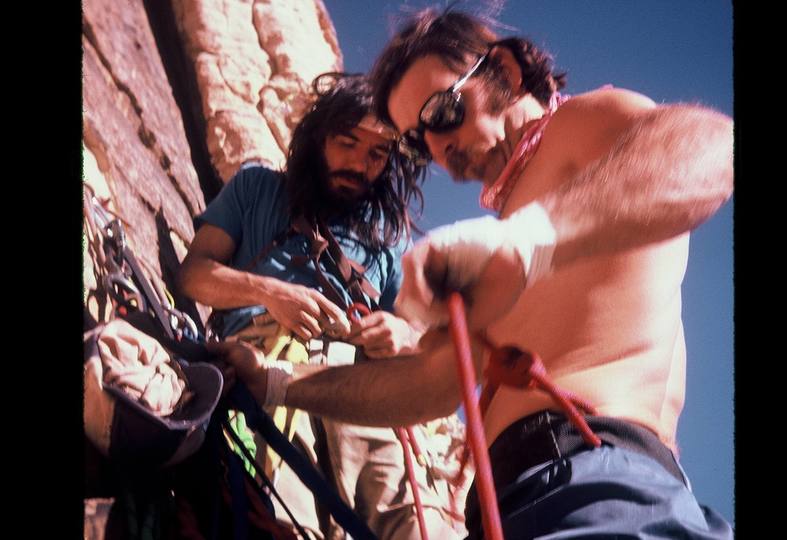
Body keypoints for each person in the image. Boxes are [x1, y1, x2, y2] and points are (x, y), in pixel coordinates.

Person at [214, 8, 734, 539]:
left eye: (441, 112)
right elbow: (430, 386)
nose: (438, 149)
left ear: (504, 70)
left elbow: (710, 148)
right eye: (417, 141)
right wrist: (280, 381)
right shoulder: (503, 255)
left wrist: (526, 240)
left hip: (594, 483)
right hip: (513, 504)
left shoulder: (583, 128)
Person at [178, 73, 463, 539]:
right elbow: (193, 274)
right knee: (289, 516)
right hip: (265, 361)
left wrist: (399, 333)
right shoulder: (258, 190)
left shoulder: (387, 242)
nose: (359, 163)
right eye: (347, 143)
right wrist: (270, 292)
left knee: (412, 521)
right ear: (318, 138)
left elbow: (417, 340)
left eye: (377, 154)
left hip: (358, 382)